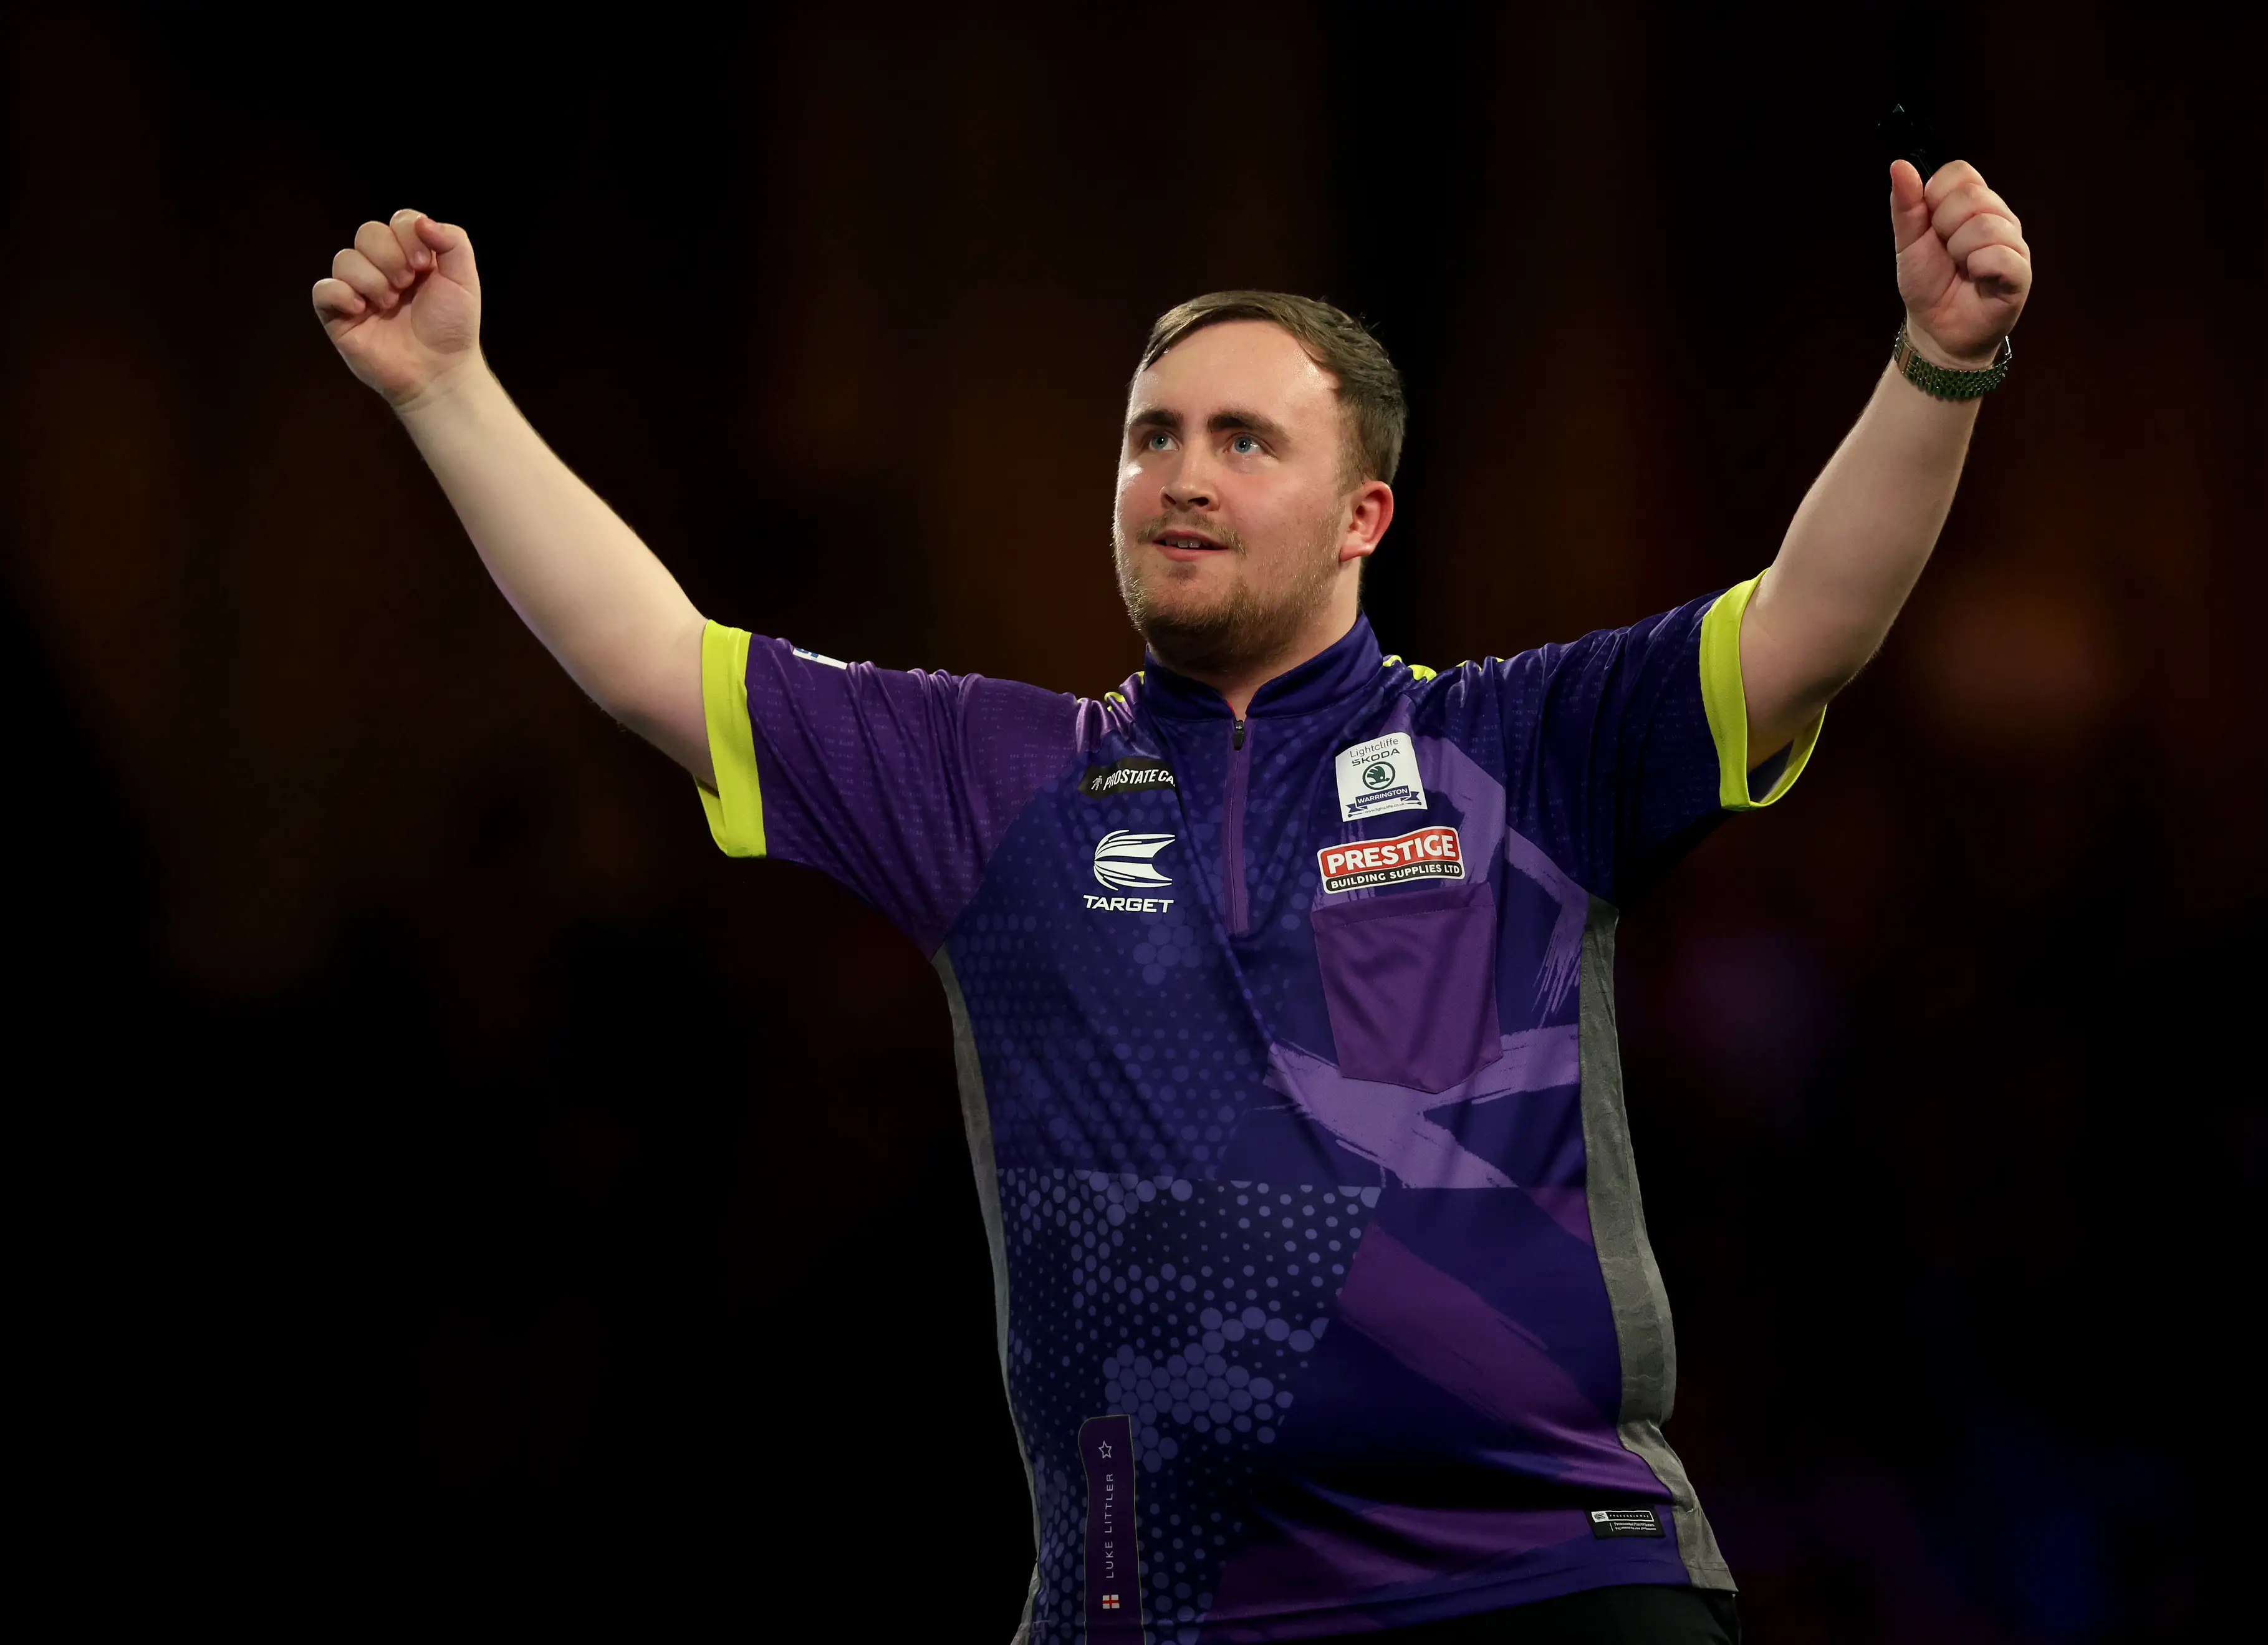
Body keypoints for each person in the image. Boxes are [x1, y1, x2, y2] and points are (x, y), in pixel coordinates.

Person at [312, 155, 2030, 1643]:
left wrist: (1939, 366)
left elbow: (1812, 620)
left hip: (1544, 1580)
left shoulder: (1518, 747)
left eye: (1241, 438)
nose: (1181, 472)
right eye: (1151, 436)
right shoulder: (990, 781)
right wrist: (446, 390)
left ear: (1364, 513)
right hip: (1157, 1608)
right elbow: (649, 661)